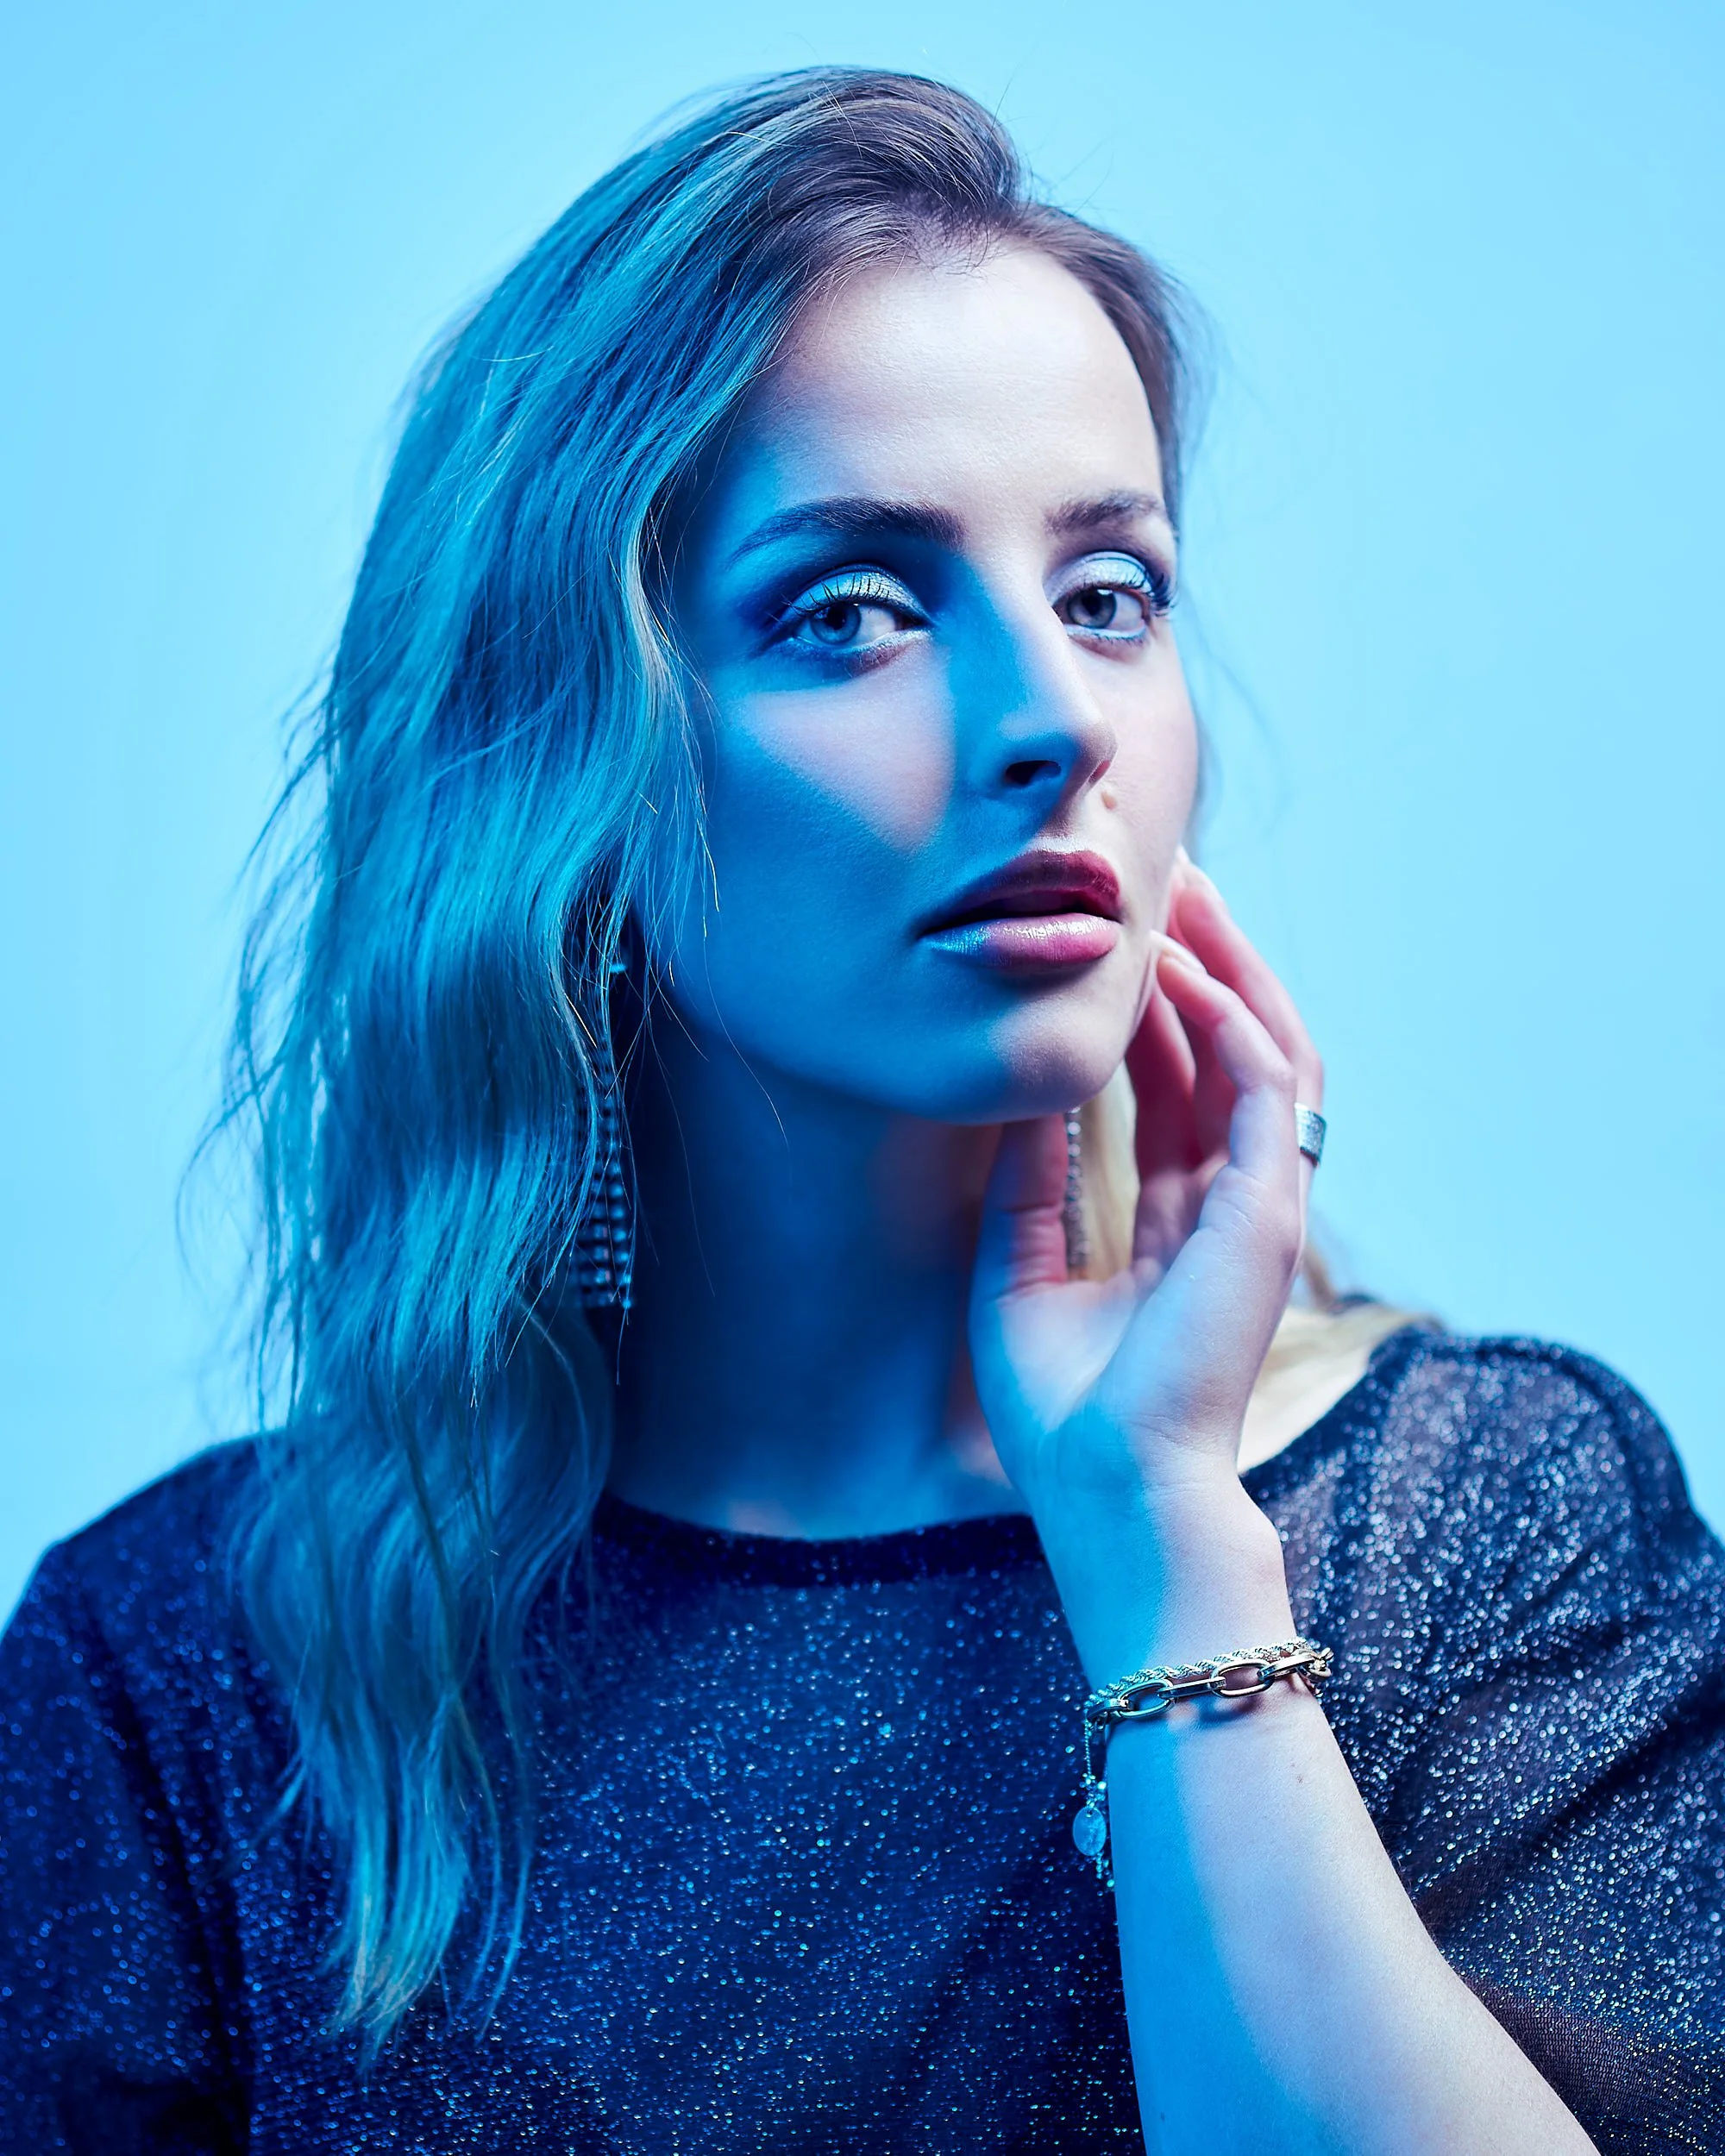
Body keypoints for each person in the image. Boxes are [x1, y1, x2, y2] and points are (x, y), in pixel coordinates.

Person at [1, 66, 1720, 2156]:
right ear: (567, 762)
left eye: (1110, 593)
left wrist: (1165, 1551)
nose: (1050, 721)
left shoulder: (1484, 1518)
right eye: (854, 611)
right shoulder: (184, 1664)